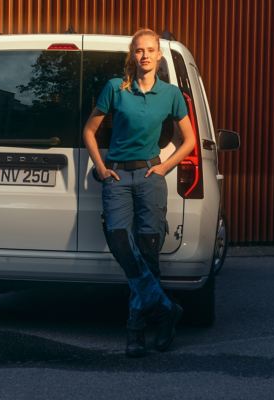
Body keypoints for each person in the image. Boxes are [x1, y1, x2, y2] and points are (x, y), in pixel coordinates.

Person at [82, 28, 197, 357]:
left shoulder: (171, 94)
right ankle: (165, 310)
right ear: (131, 56)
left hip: (149, 177)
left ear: (159, 56)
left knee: (148, 251)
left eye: (150, 50)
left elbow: (188, 140)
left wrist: (165, 166)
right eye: (138, 50)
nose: (144, 55)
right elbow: (89, 130)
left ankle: (138, 327)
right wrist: (102, 168)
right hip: (117, 176)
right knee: (120, 242)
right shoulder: (116, 89)